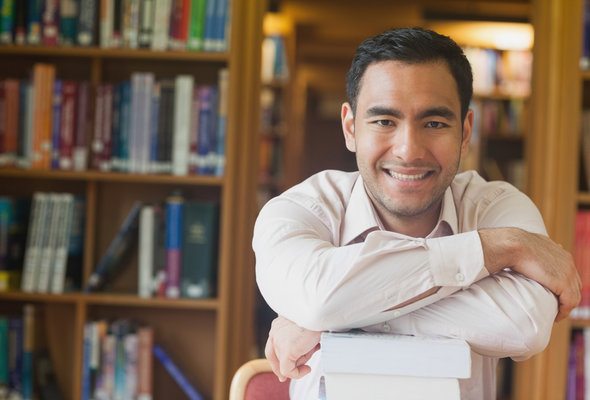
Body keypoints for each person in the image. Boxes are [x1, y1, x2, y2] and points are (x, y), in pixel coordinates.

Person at [253, 27, 581, 400]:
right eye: (384, 121)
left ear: (465, 131)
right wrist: (496, 248)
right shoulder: (300, 209)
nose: (409, 151)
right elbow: (316, 299)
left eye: (435, 123)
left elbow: (524, 325)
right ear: (350, 127)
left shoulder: (497, 206)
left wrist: (331, 320)